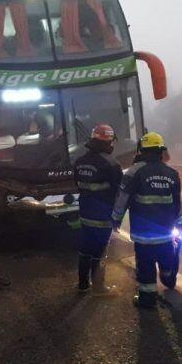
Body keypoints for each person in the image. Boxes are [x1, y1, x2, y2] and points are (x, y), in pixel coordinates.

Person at [111, 132, 182, 309]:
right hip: (166, 233)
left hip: (143, 235)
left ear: (141, 151)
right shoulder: (172, 173)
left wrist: (116, 218)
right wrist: (180, 222)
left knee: (145, 268)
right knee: (167, 259)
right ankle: (168, 276)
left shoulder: (134, 172)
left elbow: (123, 197)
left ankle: (147, 299)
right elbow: (178, 201)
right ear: (161, 151)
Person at [73, 124, 122, 294]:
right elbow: (119, 192)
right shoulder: (112, 164)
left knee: (85, 248)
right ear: (109, 142)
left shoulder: (80, 161)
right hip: (103, 216)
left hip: (85, 213)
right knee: (100, 251)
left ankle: (82, 284)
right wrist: (117, 217)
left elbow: (78, 185)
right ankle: (99, 287)